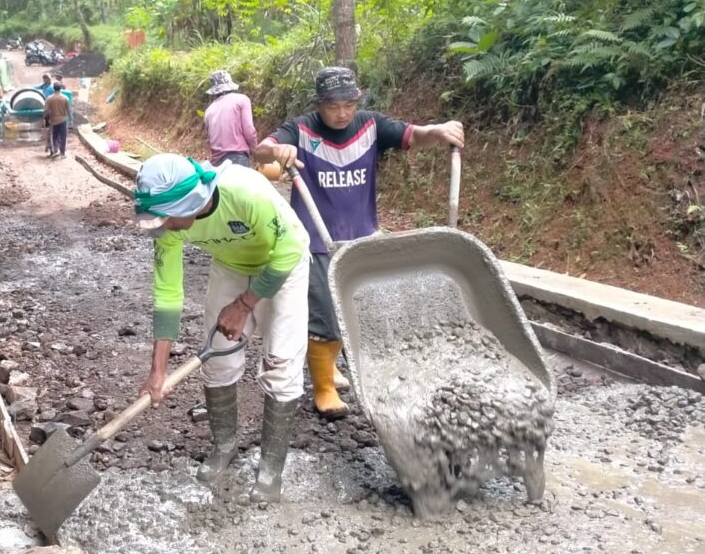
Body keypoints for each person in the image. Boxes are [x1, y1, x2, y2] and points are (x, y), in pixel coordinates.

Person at [255, 66, 465, 419]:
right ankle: (322, 386)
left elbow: (414, 135)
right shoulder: (302, 129)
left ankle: (330, 365)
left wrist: (439, 131)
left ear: (358, 101)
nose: (342, 114)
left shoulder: (370, 125)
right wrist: (277, 150)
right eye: (333, 107)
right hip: (316, 238)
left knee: (352, 308)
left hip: (362, 236)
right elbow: (261, 151)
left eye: (349, 105)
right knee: (324, 313)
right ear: (318, 105)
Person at [135, 154, 310, 502]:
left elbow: (289, 249)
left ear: (189, 203)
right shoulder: (167, 225)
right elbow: (167, 293)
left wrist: (244, 305)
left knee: (281, 362)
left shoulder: (245, 192)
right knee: (217, 361)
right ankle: (225, 446)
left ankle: (270, 470)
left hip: (282, 263)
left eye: (166, 218)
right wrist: (158, 371)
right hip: (232, 266)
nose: (161, 226)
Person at [203, 69, 257, 167]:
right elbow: (249, 130)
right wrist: (254, 150)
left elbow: (210, 138)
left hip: (217, 162)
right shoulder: (241, 100)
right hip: (238, 158)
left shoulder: (208, 111)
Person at [44, 81, 70, 159]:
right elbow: (69, 110)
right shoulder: (65, 98)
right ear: (61, 88)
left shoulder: (49, 98)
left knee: (54, 136)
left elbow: (46, 111)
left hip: (54, 120)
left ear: (53, 88)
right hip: (63, 120)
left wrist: (45, 119)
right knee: (63, 137)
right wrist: (71, 119)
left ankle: (56, 150)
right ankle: (63, 153)